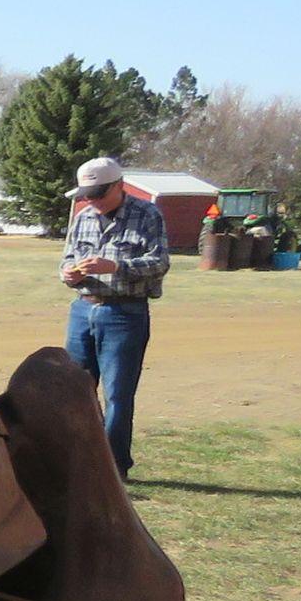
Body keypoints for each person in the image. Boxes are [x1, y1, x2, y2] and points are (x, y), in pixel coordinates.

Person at [59, 155, 169, 476]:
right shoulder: (82, 218)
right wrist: (68, 273)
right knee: (75, 390)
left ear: (119, 185)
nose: (91, 201)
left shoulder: (147, 215)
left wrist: (116, 266)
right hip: (83, 308)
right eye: (87, 195)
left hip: (124, 312)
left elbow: (160, 262)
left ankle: (112, 468)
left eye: (98, 194)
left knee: (118, 394)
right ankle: (77, 461)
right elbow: (67, 257)